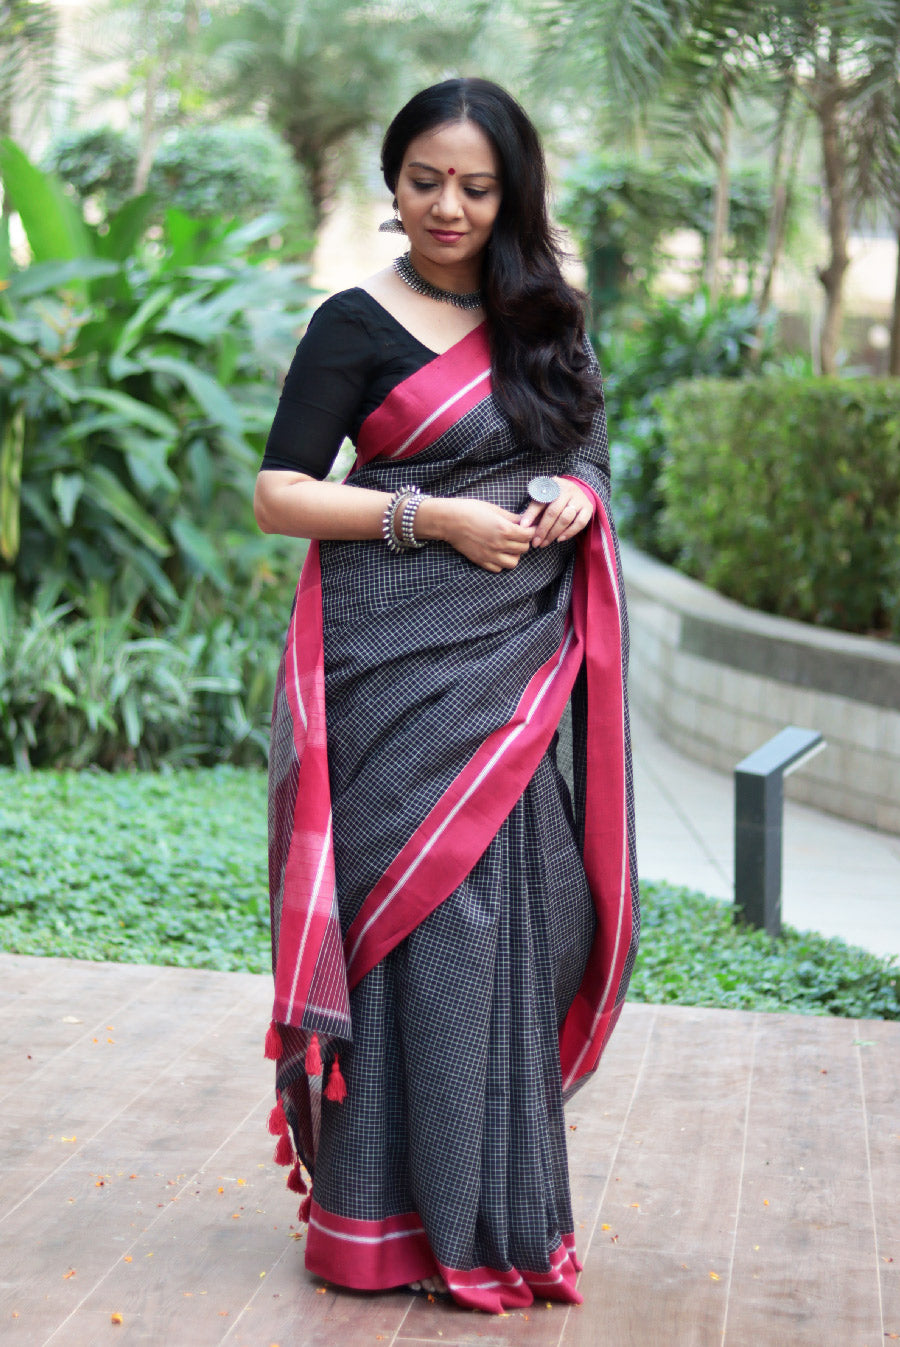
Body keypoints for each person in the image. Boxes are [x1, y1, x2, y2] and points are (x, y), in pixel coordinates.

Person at [254, 77, 639, 1316]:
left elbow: (584, 449)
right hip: (386, 672)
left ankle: (495, 1212)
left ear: (511, 193)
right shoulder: (354, 323)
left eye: (475, 186)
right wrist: (438, 518)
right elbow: (280, 494)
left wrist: (575, 493)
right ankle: (378, 1225)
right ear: (394, 180)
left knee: (511, 925)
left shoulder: (545, 318)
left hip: (508, 672)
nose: (448, 207)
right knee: (408, 935)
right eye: (426, 181)